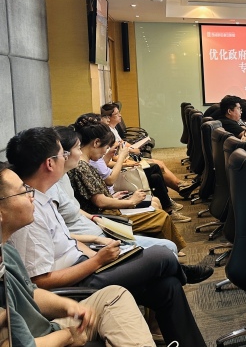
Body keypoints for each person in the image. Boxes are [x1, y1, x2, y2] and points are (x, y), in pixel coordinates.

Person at [4, 128, 208, 346]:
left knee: (167, 286)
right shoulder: (29, 214)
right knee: (163, 255)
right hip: (77, 282)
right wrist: (97, 261)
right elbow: (40, 282)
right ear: (49, 164)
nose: (66, 157)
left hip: (86, 266)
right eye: (63, 153)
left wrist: (95, 254)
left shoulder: (45, 196)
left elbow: (66, 242)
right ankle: (182, 271)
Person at [0, 162, 156, 347]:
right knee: (161, 259)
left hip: (42, 327)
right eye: (22, 192)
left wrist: (68, 307)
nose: (30, 196)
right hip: (40, 338)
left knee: (115, 295)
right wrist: (68, 336)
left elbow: (29, 293)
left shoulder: (7, 250)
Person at [52, 126, 182, 254]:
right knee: (160, 216)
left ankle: (170, 253)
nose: (80, 152)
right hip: (105, 215)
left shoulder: (71, 173)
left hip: (101, 215)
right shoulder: (80, 168)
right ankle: (171, 253)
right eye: (77, 148)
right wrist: (131, 202)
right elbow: (101, 199)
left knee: (155, 202)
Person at [100, 103, 191, 193]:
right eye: (117, 114)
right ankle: (180, 187)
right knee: (158, 165)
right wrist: (128, 158)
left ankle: (180, 184)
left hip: (127, 159)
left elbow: (122, 142)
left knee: (160, 163)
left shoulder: (113, 129)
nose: (120, 115)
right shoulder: (108, 134)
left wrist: (132, 148)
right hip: (126, 163)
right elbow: (113, 158)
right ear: (108, 117)